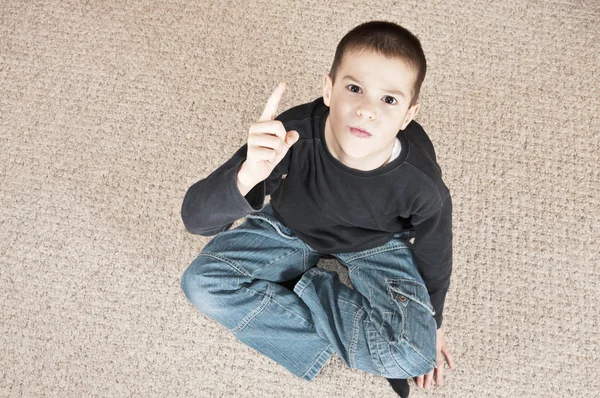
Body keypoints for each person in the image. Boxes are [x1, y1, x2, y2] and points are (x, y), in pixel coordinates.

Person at [180, 20, 456, 397]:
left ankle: (301, 283)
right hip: (290, 226)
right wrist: (248, 174)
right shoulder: (290, 134)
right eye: (354, 88)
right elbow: (195, 219)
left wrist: (433, 322)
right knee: (201, 284)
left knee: (414, 356)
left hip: (375, 243)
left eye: (388, 100)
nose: (366, 110)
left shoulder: (421, 182)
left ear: (409, 114)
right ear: (328, 89)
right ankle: (308, 293)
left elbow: (434, 252)